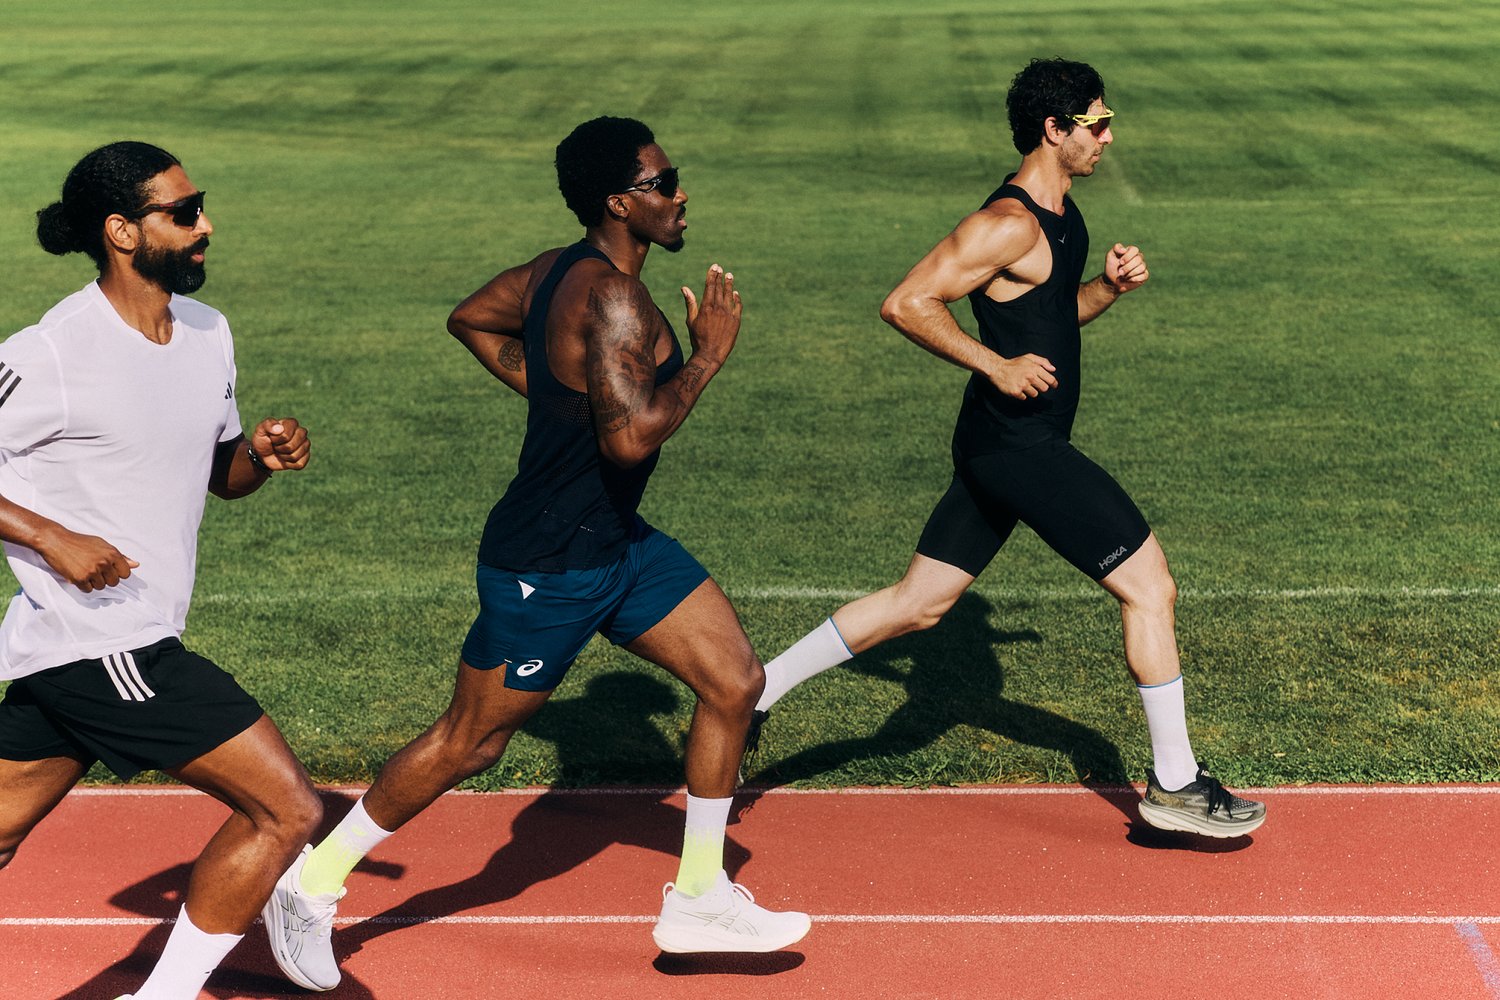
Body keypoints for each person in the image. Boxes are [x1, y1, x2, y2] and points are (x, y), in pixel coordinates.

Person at [262, 116, 809, 992]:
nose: (681, 196)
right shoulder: (618, 299)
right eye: (666, 183)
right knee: (468, 743)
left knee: (734, 681)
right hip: (549, 561)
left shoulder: (555, 270)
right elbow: (631, 442)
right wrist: (705, 358)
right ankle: (310, 884)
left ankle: (700, 895)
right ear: (620, 202)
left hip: (618, 544)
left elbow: (471, 317)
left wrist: (556, 394)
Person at [749, 59, 1266, 839]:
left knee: (919, 606)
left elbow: (1051, 321)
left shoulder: (1064, 214)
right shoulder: (1009, 223)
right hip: (1020, 449)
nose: (1108, 138)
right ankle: (1176, 785)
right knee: (1150, 587)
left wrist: (1109, 291)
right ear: (1055, 131)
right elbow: (905, 302)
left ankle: (754, 690)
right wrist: (993, 364)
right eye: (1096, 124)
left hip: (1007, 444)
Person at [0, 141, 319, 1000]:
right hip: (102, 638)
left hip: (92, 641)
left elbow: (222, 474)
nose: (205, 224)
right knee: (286, 808)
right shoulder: (54, 349)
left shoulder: (209, 334)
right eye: (184, 213)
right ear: (122, 232)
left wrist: (261, 452)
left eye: (200, 205)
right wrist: (52, 538)